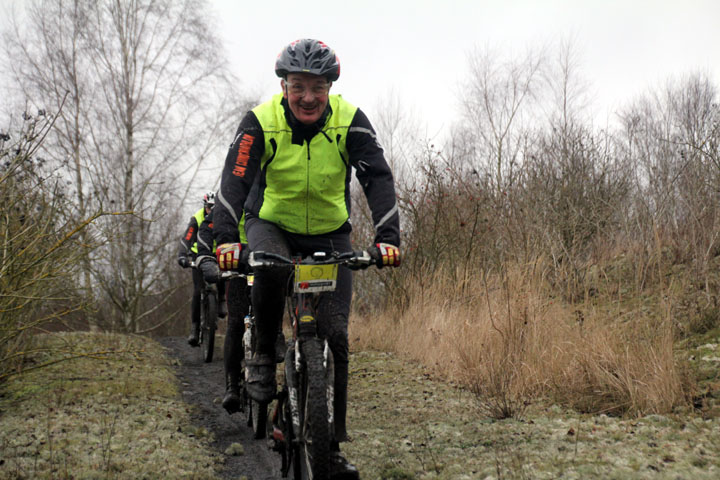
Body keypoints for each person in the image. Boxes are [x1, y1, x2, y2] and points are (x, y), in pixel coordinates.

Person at [212, 39, 401, 478]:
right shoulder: (260, 122)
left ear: (330, 86)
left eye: (318, 87)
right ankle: (261, 353)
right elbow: (234, 180)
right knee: (269, 269)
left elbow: (378, 178)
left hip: (331, 232)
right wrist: (225, 239)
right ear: (284, 86)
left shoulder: (351, 122)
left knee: (335, 335)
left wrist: (388, 238)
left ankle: (330, 446)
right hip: (272, 225)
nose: (309, 97)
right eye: (299, 86)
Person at [194, 207, 252, 414]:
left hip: (267, 263)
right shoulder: (232, 194)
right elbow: (208, 227)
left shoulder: (274, 186)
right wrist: (204, 257)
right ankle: (232, 386)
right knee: (236, 323)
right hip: (238, 267)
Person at [177, 191, 227, 347]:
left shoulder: (223, 218)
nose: (211, 211)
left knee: (224, 273)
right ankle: (195, 328)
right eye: (209, 208)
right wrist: (182, 255)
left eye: (214, 208)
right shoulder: (197, 218)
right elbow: (187, 237)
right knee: (198, 290)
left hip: (218, 254)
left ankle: (221, 301)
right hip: (199, 256)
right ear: (205, 206)